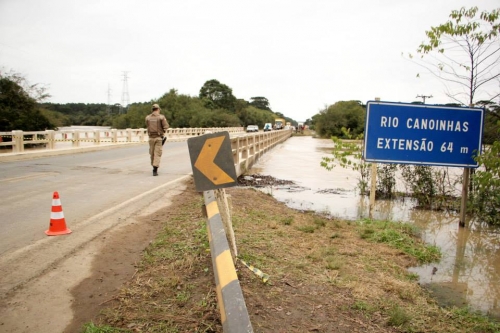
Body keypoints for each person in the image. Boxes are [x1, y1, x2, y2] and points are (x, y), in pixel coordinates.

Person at [145, 103, 169, 176]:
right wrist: (163, 131)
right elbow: (166, 126)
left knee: (152, 153)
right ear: (158, 109)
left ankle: (153, 165)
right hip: (158, 138)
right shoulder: (161, 117)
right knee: (157, 154)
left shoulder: (147, 118)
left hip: (151, 138)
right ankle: (155, 170)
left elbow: (148, 126)